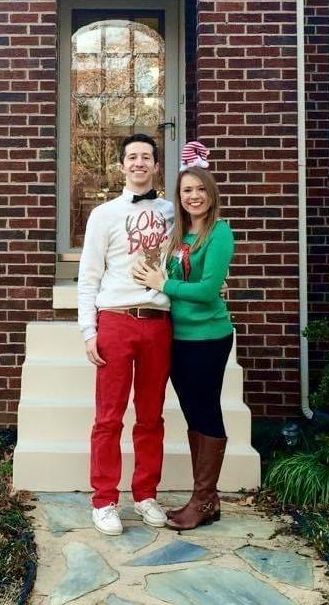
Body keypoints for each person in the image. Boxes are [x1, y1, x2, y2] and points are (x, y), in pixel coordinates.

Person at [77, 133, 175, 536]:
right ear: (121, 166)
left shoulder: (173, 212)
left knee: (151, 416)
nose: (139, 163)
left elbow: (194, 249)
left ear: (155, 166)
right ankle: (104, 500)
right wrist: (89, 330)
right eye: (132, 157)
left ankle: (146, 493)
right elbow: (88, 276)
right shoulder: (103, 215)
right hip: (115, 319)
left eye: (146, 157)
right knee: (109, 417)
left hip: (157, 322)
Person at [132, 146, 234, 531]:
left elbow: (208, 290)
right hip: (177, 335)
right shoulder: (180, 233)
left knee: (206, 410)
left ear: (211, 194)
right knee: (193, 411)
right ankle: (205, 498)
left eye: (199, 190)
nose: (193, 196)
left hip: (208, 337)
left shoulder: (219, 233)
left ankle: (204, 498)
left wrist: (165, 283)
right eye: (186, 191)